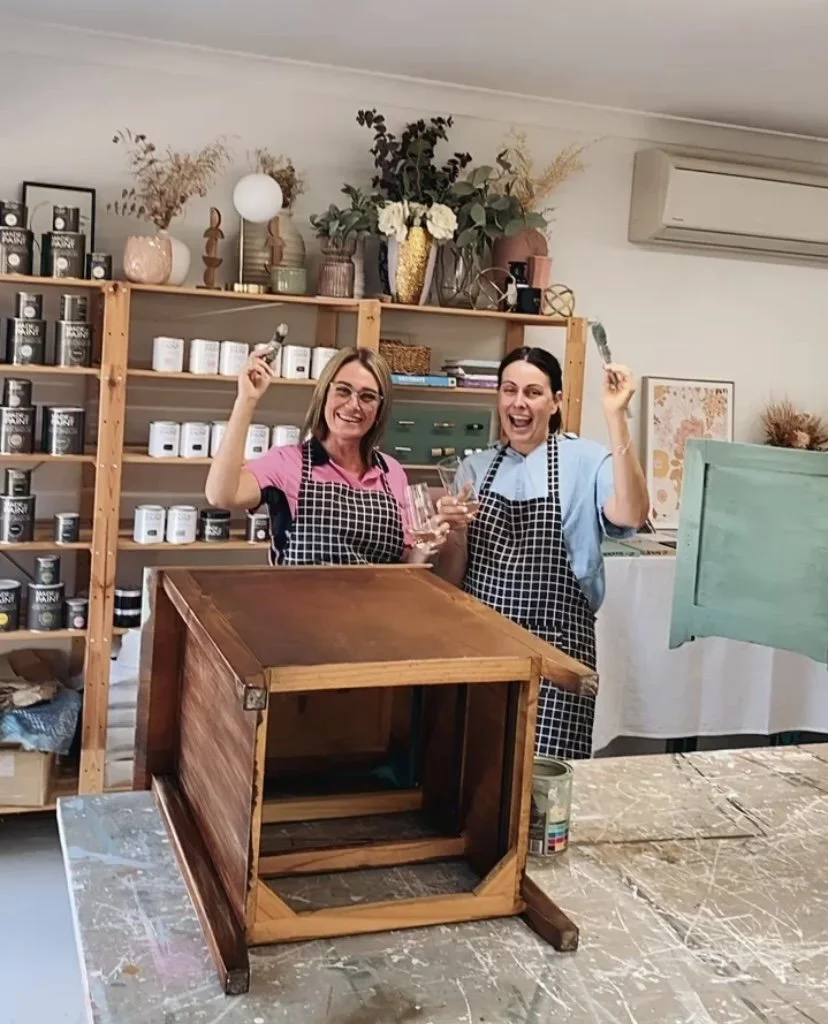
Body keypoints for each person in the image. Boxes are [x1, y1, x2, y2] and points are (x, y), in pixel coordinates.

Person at [437, 346, 649, 760]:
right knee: (479, 771)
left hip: (559, 653)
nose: (518, 403)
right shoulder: (474, 469)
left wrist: (616, 416)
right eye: (509, 390)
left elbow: (632, 513)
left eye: (533, 392)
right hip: (484, 649)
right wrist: (453, 533)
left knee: (546, 779)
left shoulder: (586, 460)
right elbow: (453, 578)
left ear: (555, 402)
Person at [205, 345, 447, 566]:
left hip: (378, 599)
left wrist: (424, 549)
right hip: (302, 600)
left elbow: (404, 565)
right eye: (343, 391)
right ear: (324, 396)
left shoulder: (391, 472)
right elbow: (221, 495)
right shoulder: (287, 463)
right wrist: (247, 399)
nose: (353, 405)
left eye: (367, 397)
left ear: (379, 410)